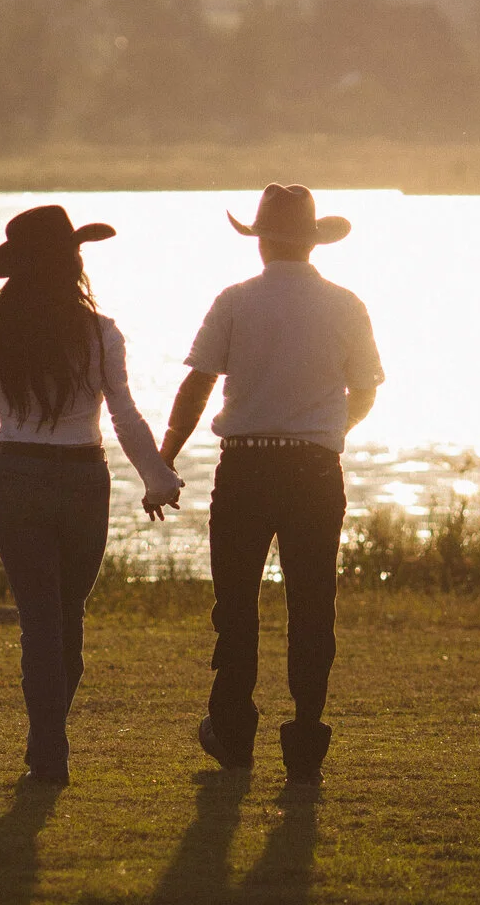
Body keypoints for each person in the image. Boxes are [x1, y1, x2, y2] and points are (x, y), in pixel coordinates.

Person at [152, 184, 383, 783]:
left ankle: (232, 730)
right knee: (312, 607)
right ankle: (306, 737)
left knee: (236, 606)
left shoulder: (235, 301)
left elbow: (197, 386)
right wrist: (327, 430)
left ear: (260, 242)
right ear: (311, 242)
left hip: (246, 467)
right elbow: (365, 390)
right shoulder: (347, 304)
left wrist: (164, 459)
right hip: (314, 469)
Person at [0, 205, 185, 786]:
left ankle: (47, 745)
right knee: (67, 619)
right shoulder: (100, 331)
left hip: (19, 476)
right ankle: (49, 742)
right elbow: (125, 414)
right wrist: (155, 475)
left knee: (40, 621)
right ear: (72, 261)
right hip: (84, 479)